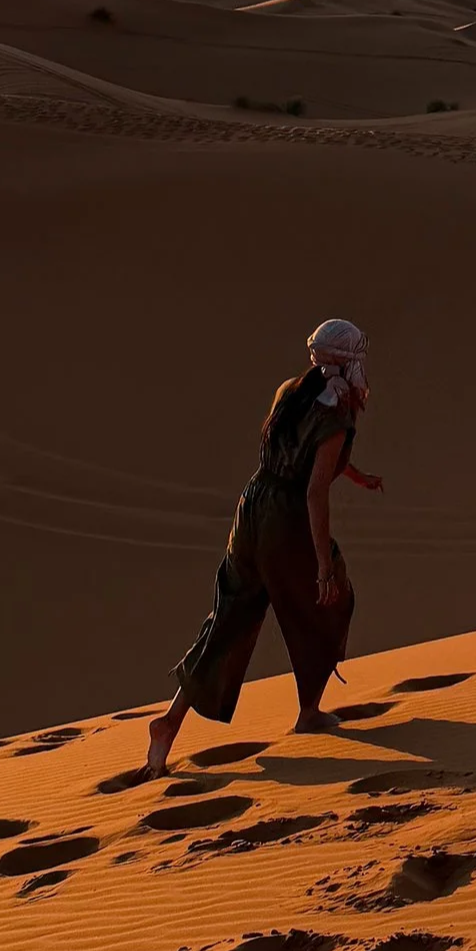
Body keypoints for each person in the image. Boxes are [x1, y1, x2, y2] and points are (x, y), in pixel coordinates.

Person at [144, 319, 385, 778]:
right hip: (286, 518)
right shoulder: (337, 415)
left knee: (230, 617)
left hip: (251, 507)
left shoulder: (291, 390)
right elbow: (315, 491)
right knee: (328, 602)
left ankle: (169, 723)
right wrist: (321, 565)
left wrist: (355, 474)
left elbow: (296, 451)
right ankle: (309, 711)